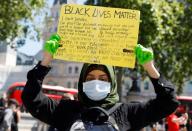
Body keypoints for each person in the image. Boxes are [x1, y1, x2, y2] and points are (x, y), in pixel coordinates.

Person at [21, 34, 179, 131]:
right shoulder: (65, 110)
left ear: (112, 83)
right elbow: (31, 99)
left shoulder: (127, 113)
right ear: (82, 82)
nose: (96, 82)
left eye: (103, 79)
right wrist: (46, 60)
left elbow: (169, 103)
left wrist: (150, 68)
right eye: (89, 78)